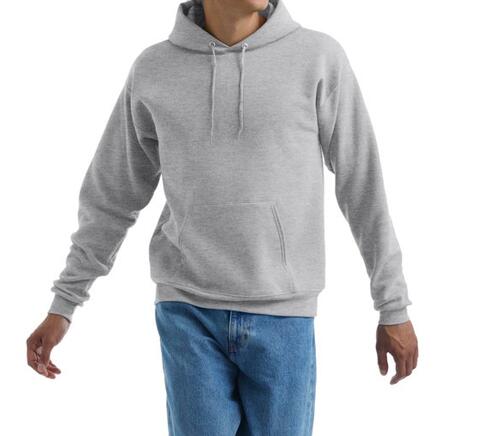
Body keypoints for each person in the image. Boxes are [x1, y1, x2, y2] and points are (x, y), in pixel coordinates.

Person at [26, 0, 419, 434]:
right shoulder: (154, 69)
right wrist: (64, 304)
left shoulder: (318, 58)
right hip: (187, 312)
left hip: (284, 315)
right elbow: (111, 196)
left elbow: (363, 186)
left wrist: (392, 306)